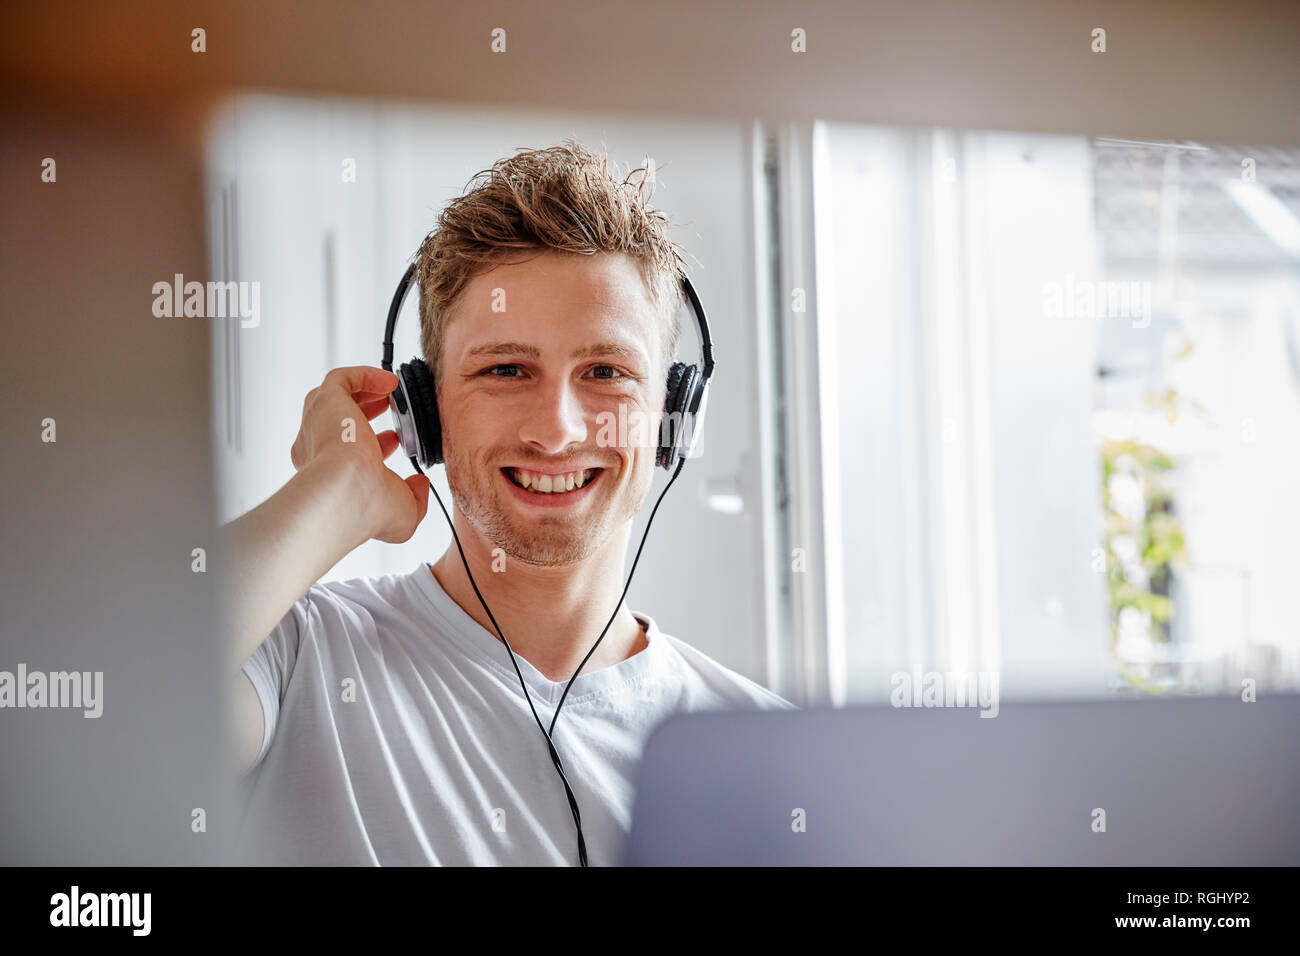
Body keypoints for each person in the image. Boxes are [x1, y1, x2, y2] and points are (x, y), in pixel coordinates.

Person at [222, 140, 795, 866]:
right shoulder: (299, 659)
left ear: (673, 416)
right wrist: (332, 493)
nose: (557, 428)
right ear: (424, 412)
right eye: (505, 368)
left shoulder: (767, 752)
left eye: (605, 371)